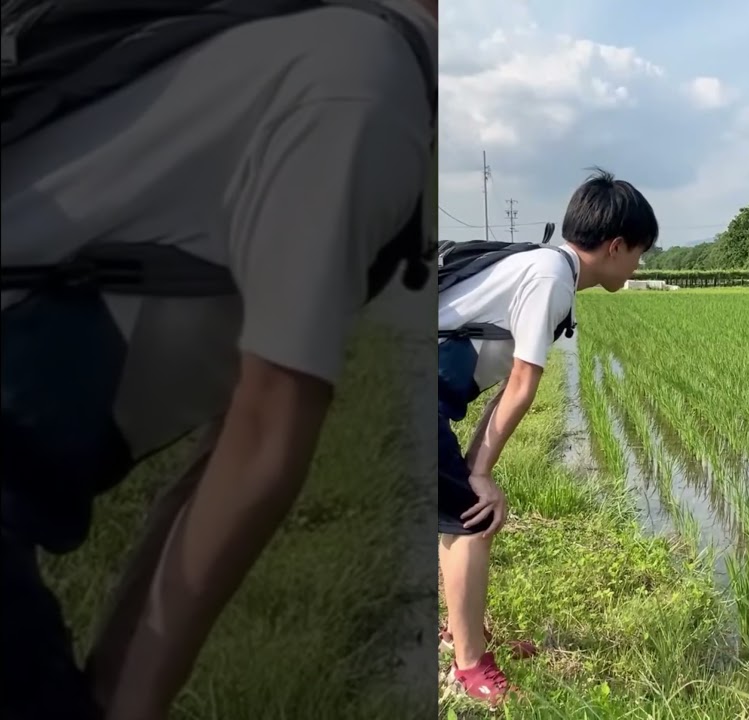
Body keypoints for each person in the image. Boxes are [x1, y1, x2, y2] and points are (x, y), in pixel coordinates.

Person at [0, 2, 437, 718]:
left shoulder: (321, 53)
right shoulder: (364, 83)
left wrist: (118, 687)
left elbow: (227, 452)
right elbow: (266, 433)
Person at [437, 169, 659, 705]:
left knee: (463, 514)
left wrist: (474, 468)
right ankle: (470, 669)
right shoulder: (550, 278)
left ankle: (461, 632)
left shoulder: (544, 266)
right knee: (470, 521)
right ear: (614, 246)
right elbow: (520, 383)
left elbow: (506, 384)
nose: (639, 265)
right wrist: (480, 474)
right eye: (639, 253)